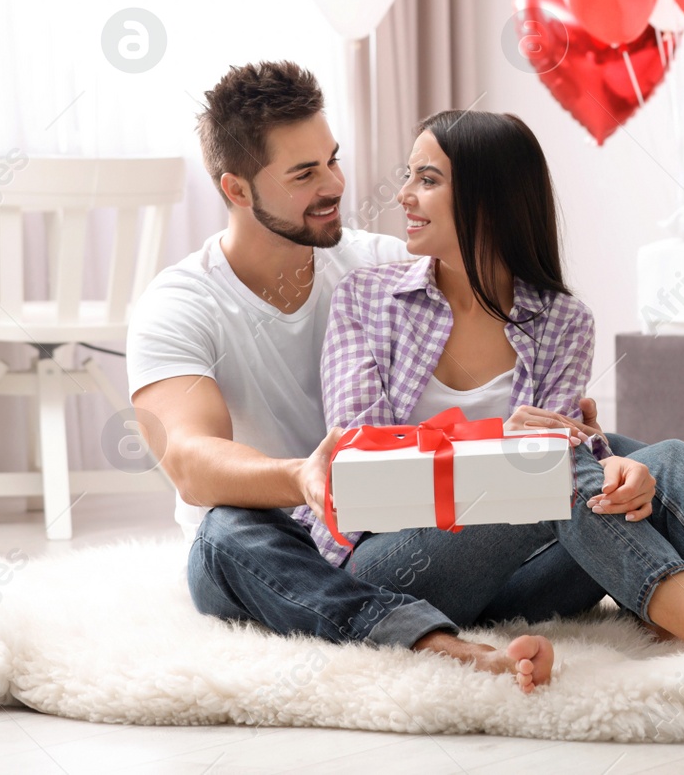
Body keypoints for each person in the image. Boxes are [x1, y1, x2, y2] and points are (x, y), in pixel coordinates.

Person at [127, 62, 646, 693]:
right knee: (226, 530)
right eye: (304, 174)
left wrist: (566, 427)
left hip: (402, 536)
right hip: (280, 544)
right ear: (237, 190)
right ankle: (437, 642)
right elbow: (188, 459)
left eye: (332, 160)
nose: (334, 185)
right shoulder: (181, 302)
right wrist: (301, 477)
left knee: (630, 460)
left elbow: (491, 285)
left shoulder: (381, 265)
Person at [311, 109, 684, 662]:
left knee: (660, 463)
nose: (403, 194)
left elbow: (565, 463)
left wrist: (610, 466)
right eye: (411, 176)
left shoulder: (562, 320)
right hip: (391, 572)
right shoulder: (366, 301)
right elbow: (360, 464)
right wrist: (493, 444)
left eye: (427, 179)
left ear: (490, 198)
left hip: (519, 585)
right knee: (545, 466)